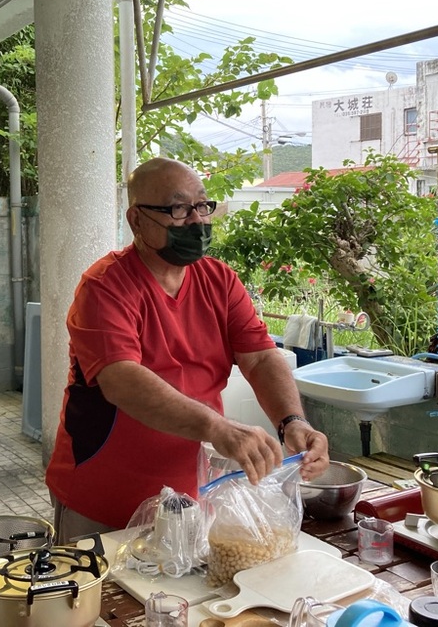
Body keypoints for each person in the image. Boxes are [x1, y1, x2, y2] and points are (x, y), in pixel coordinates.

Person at [45, 157, 330, 542]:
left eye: (202, 206)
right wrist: (218, 427)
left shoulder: (220, 281)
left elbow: (261, 357)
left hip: (192, 496)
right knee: (99, 584)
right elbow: (121, 379)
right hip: (102, 499)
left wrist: (293, 422)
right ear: (137, 220)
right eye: (178, 209)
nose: (196, 220)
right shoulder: (104, 286)